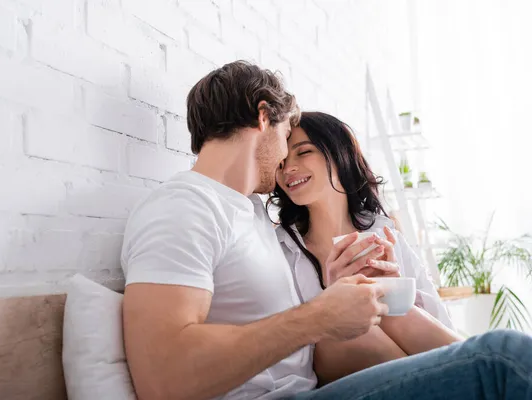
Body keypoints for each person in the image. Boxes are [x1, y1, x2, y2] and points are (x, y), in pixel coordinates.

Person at [120, 60, 532, 400]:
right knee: (504, 358)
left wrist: (338, 293)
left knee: (497, 358)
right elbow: (164, 381)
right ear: (263, 117)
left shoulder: (252, 215)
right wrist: (318, 317)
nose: (284, 158)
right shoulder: (185, 205)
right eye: (285, 137)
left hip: (312, 388)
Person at [270, 111, 460, 383]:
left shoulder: (384, 233)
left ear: (339, 153)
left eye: (303, 152)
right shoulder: (279, 248)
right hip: (328, 372)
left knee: (395, 307)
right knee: (356, 319)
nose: (288, 169)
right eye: (281, 162)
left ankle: (478, 368)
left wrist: (392, 294)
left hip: (406, 360)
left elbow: (434, 319)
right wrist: (336, 299)